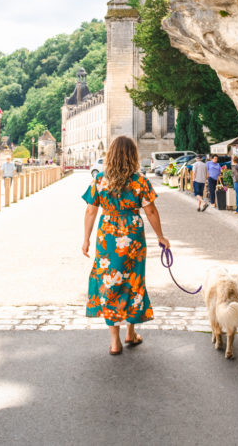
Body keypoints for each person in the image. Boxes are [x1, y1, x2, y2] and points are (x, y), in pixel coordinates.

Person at [82, 136, 170, 356]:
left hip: (108, 236)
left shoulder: (100, 179)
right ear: (133, 155)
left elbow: (91, 210)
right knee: (133, 281)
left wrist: (86, 239)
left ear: (111, 154)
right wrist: (161, 236)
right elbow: (150, 210)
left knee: (109, 281)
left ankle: (115, 342)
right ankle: (131, 332)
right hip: (132, 235)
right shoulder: (139, 181)